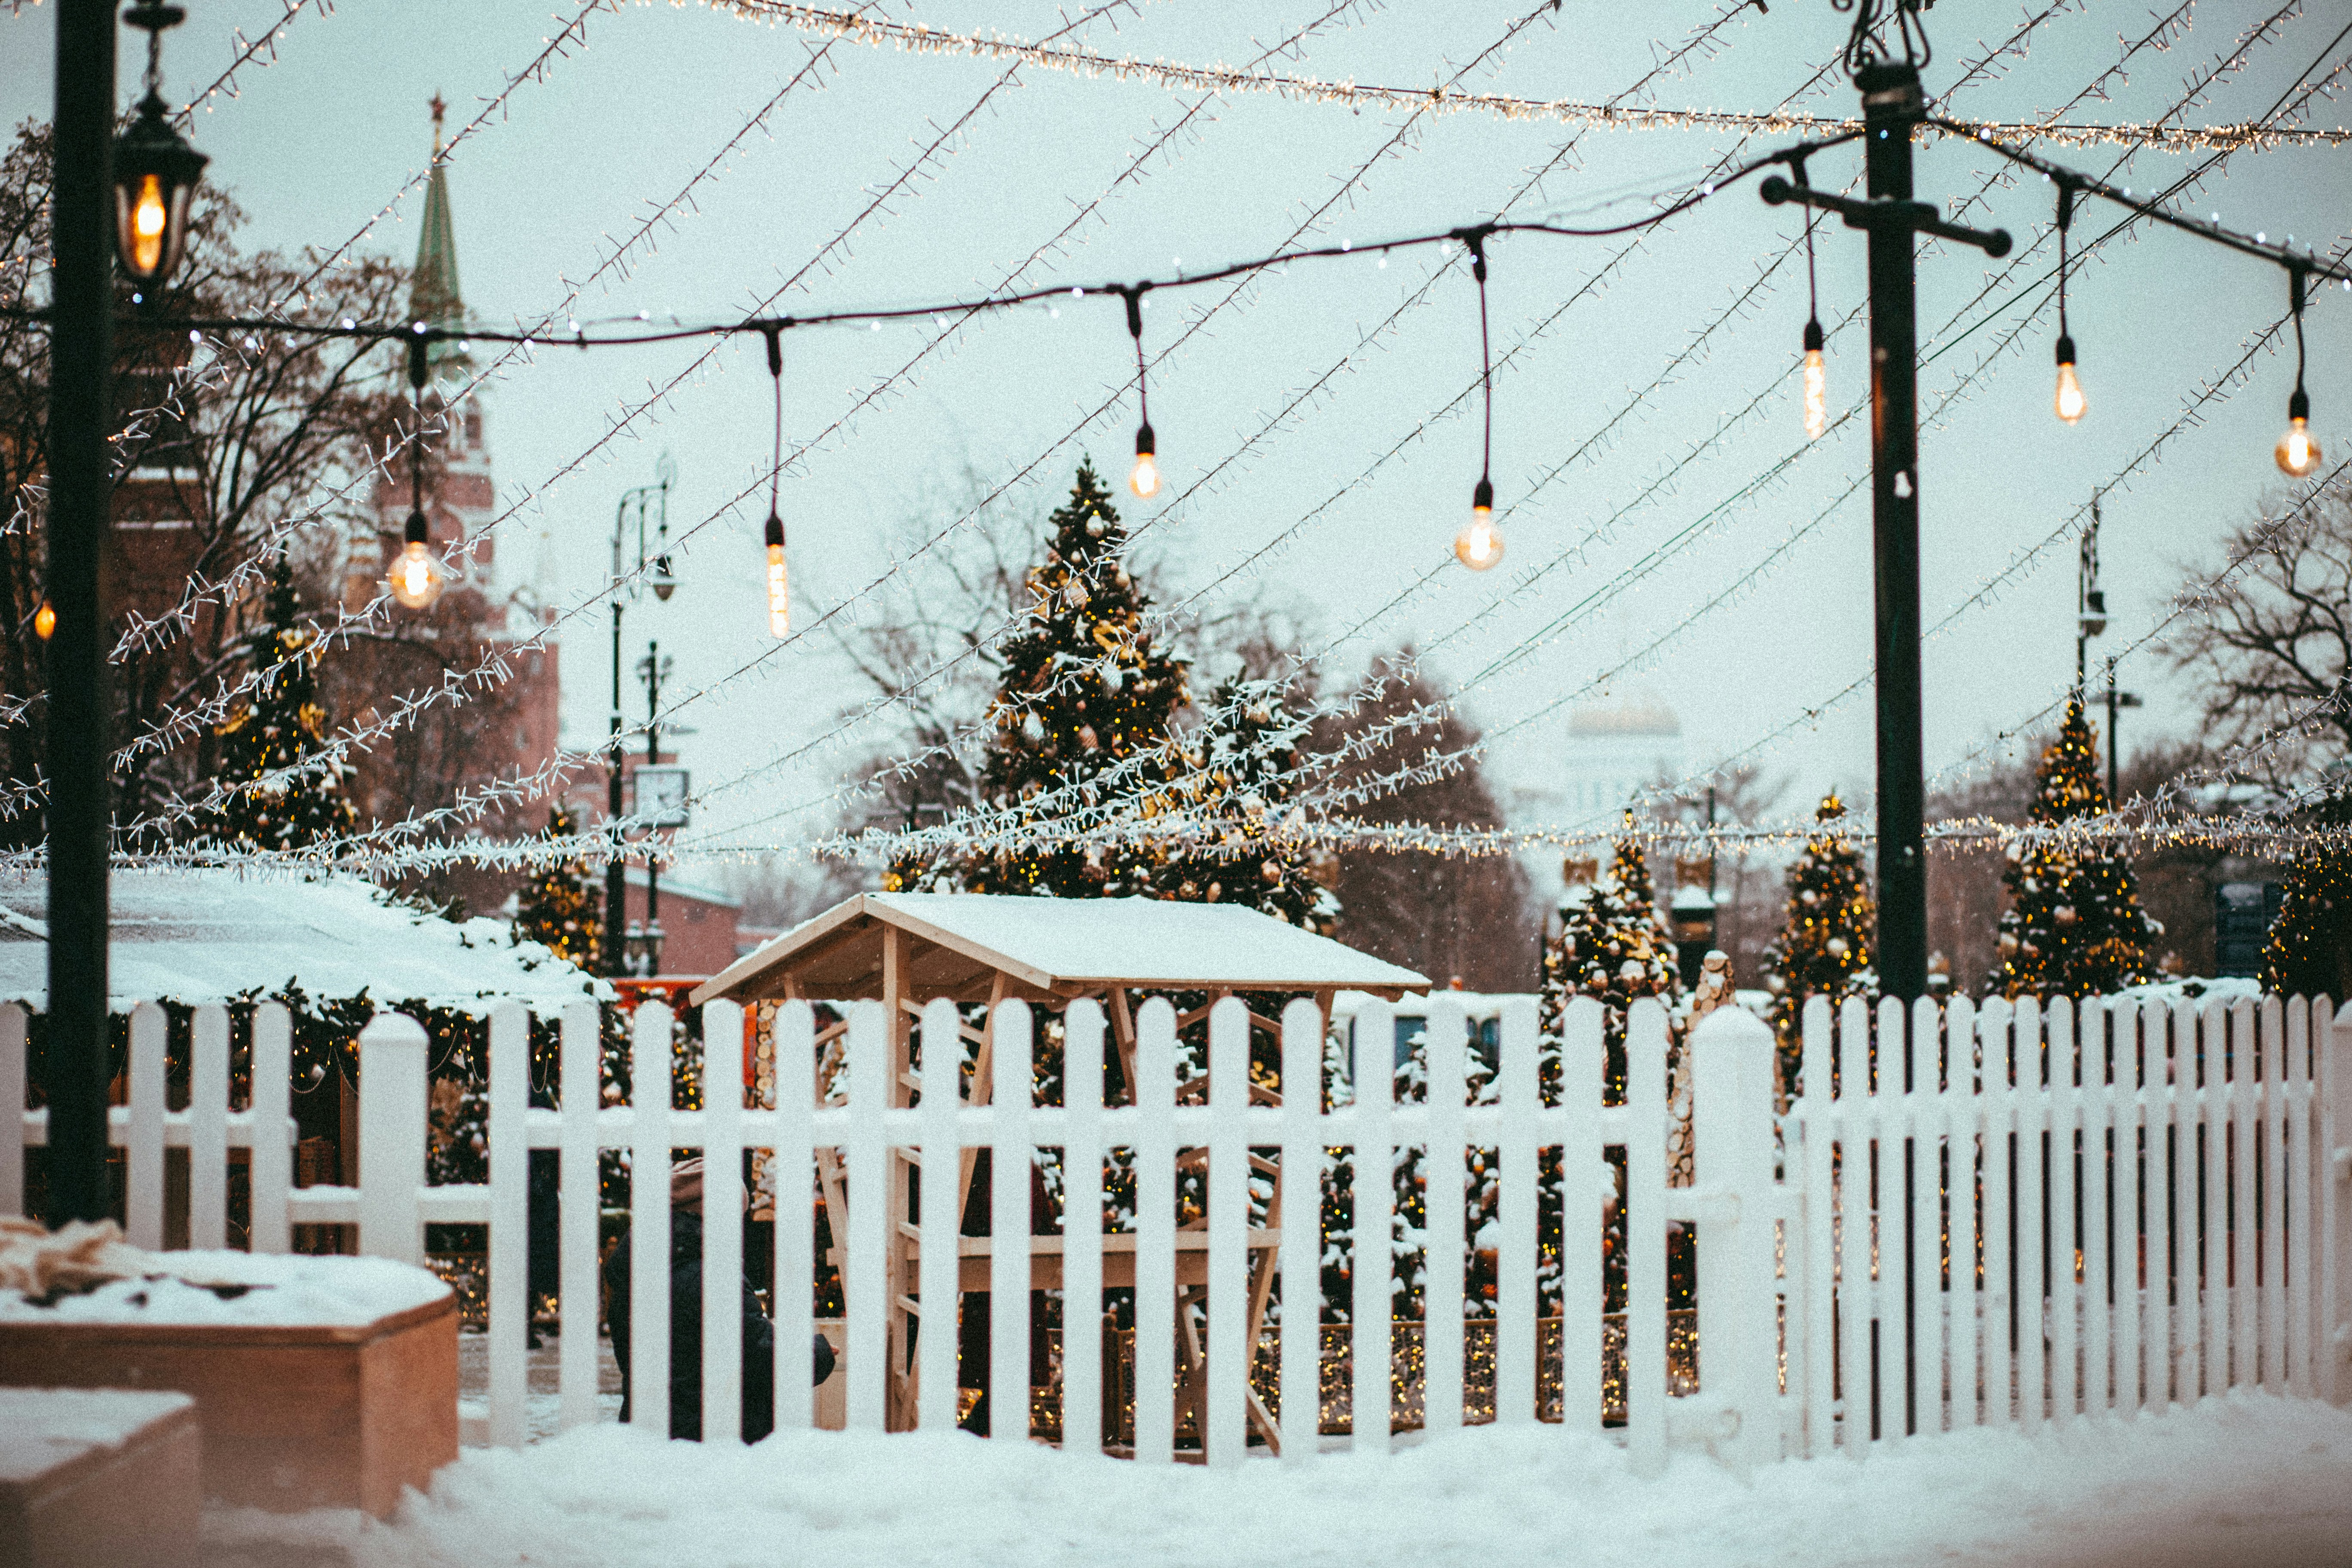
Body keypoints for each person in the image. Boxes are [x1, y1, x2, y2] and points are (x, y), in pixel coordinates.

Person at [605, 1157, 835, 1441]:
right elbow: (759, 1358)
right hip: (708, 1437)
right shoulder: (710, 1277)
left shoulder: (641, 1268)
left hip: (654, 1429)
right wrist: (818, 1352)